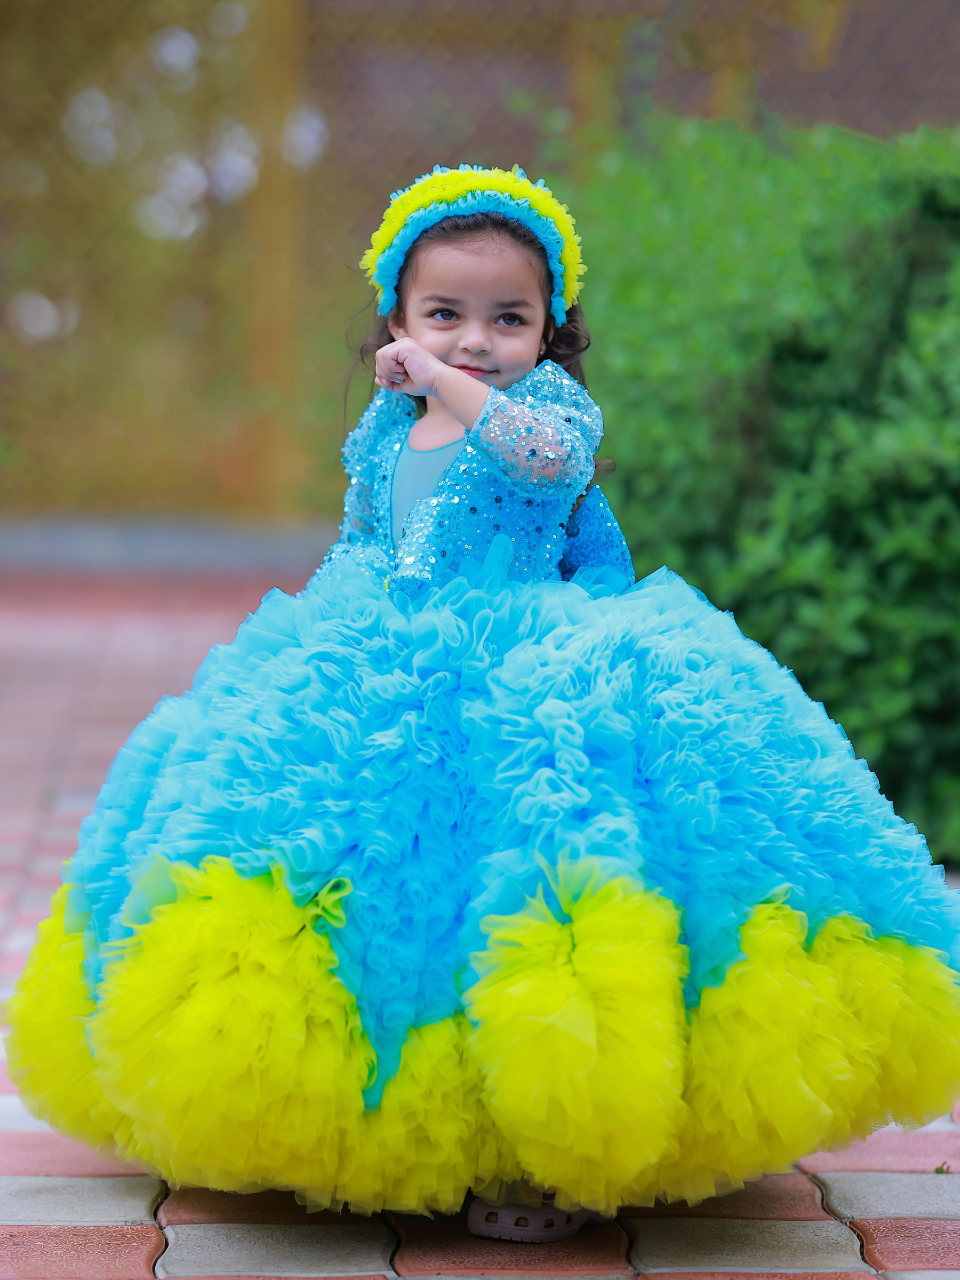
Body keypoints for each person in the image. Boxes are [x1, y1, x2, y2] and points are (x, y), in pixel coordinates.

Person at [6, 163, 960, 1247]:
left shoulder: (547, 410)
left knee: (528, 844)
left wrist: (444, 380)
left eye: (509, 317)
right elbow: (368, 535)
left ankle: (544, 1144)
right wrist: (322, 630)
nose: (475, 340)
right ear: (397, 319)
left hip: (525, 649)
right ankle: (366, 1107)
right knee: (371, 864)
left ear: (550, 328)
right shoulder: (386, 428)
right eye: (444, 314)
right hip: (385, 648)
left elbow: (542, 459)